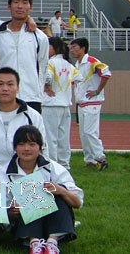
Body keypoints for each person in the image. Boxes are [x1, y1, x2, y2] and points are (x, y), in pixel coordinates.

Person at [0, 125, 83, 254]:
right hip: (22, 224)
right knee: (29, 199)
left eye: (32, 144)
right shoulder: (3, 172)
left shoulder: (52, 167)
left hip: (53, 220)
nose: (26, 149)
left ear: (40, 147)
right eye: (21, 144)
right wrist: (10, 211)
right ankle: (34, 243)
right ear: (15, 148)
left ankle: (52, 243)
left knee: (59, 193)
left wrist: (61, 191)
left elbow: (77, 202)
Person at [0, 67, 48, 167]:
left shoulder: (33, 117)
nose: (5, 89)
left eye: (10, 84)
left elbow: (43, 150)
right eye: (0, 84)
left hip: (25, 172)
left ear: (18, 88)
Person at [0, 0, 49, 113]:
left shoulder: (40, 37)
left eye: (25, 2)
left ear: (31, 8)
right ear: (9, 6)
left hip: (31, 97)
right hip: (4, 97)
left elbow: (43, 66)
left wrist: (39, 93)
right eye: (16, 2)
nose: (20, 6)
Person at [69, 38, 112, 170]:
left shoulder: (92, 62)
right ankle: (90, 160)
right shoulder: (77, 64)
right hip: (82, 103)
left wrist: (97, 91)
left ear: (83, 48)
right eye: (71, 47)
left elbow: (106, 73)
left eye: (74, 47)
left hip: (92, 103)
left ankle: (101, 158)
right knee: (83, 133)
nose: (72, 50)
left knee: (90, 132)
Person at [42, 37, 82, 169]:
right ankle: (65, 165)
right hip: (65, 105)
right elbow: (79, 78)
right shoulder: (68, 64)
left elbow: (46, 77)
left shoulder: (50, 62)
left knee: (50, 137)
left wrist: (46, 86)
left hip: (50, 104)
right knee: (63, 138)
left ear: (55, 48)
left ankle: (52, 165)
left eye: (48, 46)